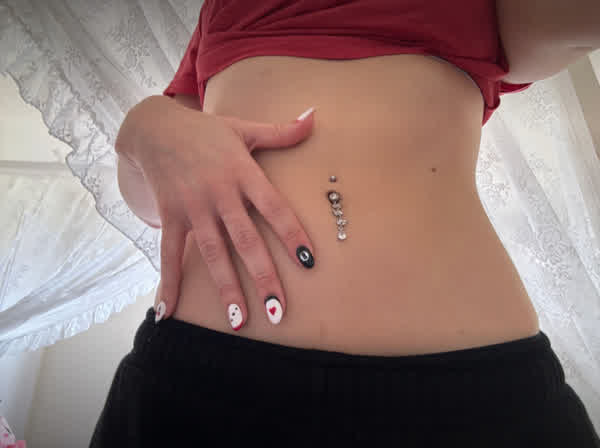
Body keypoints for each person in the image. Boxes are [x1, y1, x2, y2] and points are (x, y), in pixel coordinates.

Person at [89, 0, 600, 446]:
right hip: (198, 387)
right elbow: (153, 205)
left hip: (474, 399)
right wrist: (145, 128)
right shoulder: (221, 9)